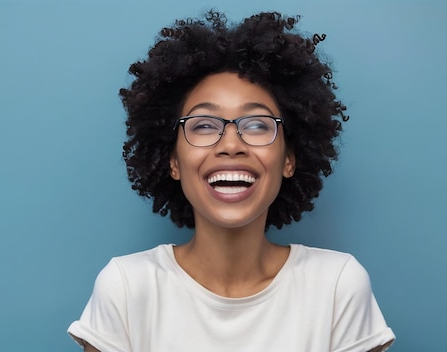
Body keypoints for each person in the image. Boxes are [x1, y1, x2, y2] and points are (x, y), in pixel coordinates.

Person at [68, 10, 395, 352]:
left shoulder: (338, 286)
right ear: (173, 161)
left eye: (256, 125)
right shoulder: (125, 287)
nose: (231, 145)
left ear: (288, 159)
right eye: (204, 125)